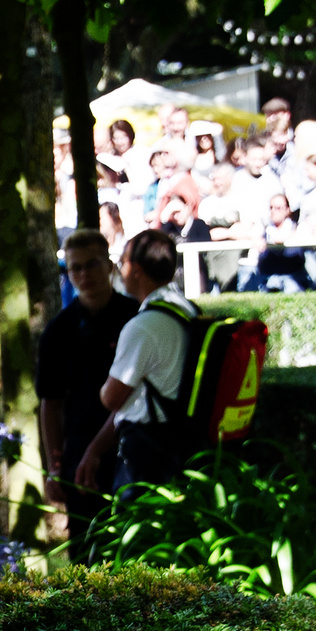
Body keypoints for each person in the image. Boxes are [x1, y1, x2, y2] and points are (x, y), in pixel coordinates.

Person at [37, 230, 141, 557]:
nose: (84, 275)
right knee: (86, 554)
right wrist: (54, 466)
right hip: (79, 455)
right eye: (75, 268)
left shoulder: (136, 317)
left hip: (131, 446)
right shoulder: (58, 330)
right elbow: (49, 402)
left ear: (110, 266)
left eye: (92, 265)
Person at [78, 229, 199, 499]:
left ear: (137, 270)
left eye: (123, 261)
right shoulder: (185, 308)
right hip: (179, 440)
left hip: (148, 453)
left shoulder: (143, 326)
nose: (120, 269)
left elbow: (111, 398)